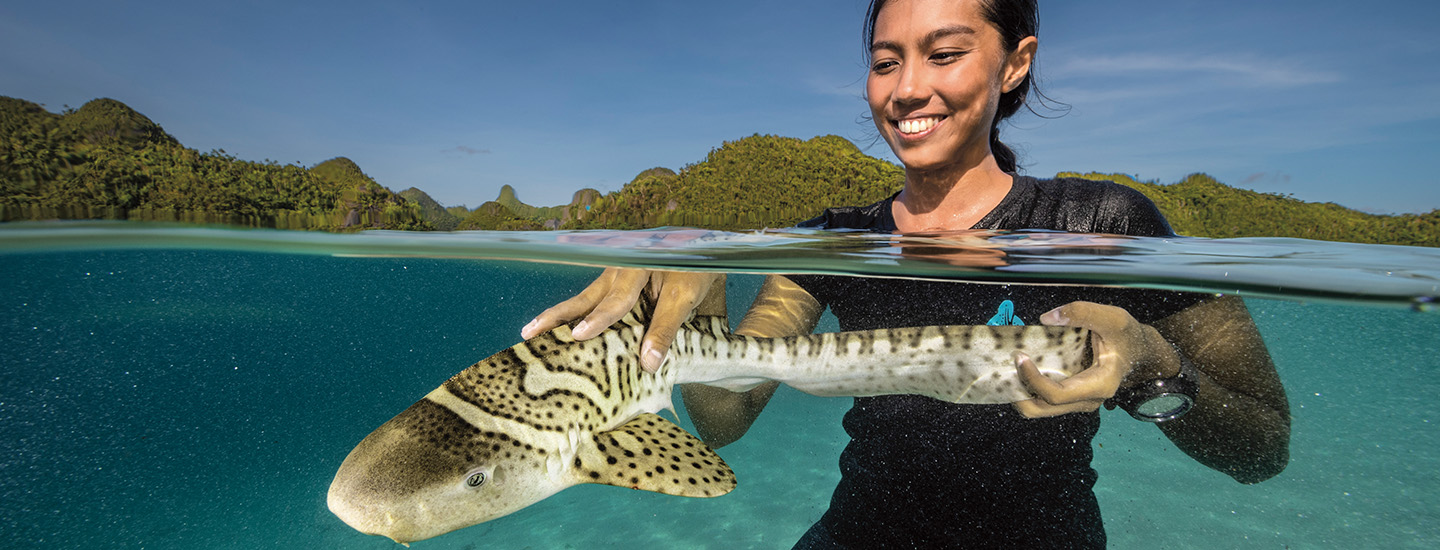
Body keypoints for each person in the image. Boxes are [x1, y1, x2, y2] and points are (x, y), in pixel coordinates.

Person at [521, 0, 1291, 547]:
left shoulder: (1108, 226)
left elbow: (1264, 447)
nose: (906, 88)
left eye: (945, 53)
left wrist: (1151, 366)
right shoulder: (833, 242)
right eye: (885, 62)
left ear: (1015, 63)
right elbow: (725, 421)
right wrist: (701, 283)